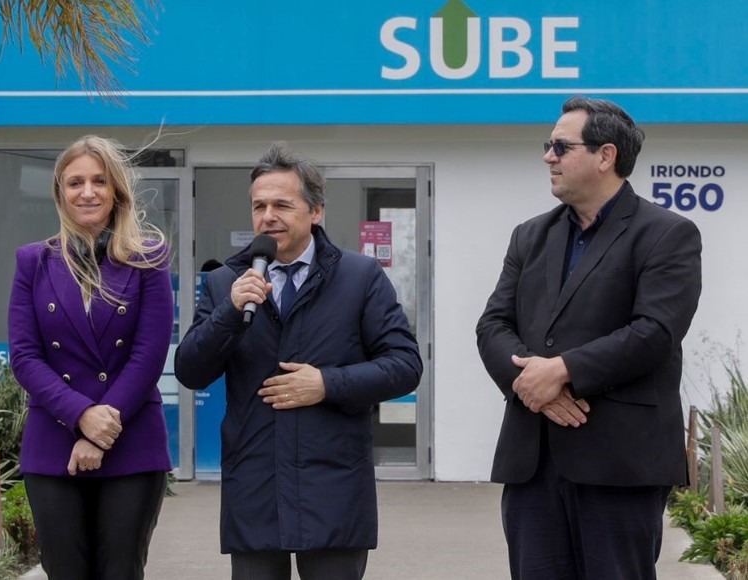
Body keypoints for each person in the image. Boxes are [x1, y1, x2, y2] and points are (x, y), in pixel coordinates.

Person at [476, 96, 703, 579]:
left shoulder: (667, 234)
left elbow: (655, 332)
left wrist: (562, 371)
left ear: (606, 156)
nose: (548, 157)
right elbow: (493, 325)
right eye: (548, 145)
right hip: (533, 460)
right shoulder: (528, 236)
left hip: (620, 464)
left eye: (561, 146)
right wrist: (531, 386)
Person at [174, 142, 423, 580]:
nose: (268, 216)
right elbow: (191, 371)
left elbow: (405, 365)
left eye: (282, 205)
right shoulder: (225, 282)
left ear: (316, 211)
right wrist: (229, 312)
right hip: (255, 485)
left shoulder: (360, 277)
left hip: (333, 488)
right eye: (259, 206)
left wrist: (327, 384)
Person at [8, 135, 173, 580]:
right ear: (60, 192)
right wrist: (81, 417)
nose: (87, 192)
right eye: (75, 182)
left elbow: (148, 355)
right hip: (54, 442)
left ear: (116, 190)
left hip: (131, 441)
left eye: (99, 181)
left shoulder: (148, 260)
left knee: (121, 571)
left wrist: (101, 432)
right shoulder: (33, 262)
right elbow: (24, 356)